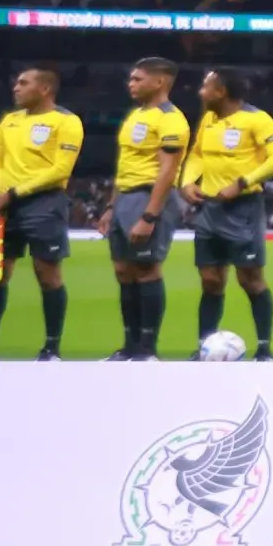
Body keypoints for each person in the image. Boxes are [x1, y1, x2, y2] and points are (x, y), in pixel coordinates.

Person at [180, 69, 273, 359]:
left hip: (243, 209)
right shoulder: (209, 119)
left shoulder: (257, 120)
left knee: (250, 279)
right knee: (210, 280)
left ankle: (264, 348)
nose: (201, 92)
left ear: (222, 92)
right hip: (209, 209)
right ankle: (204, 346)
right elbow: (198, 154)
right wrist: (188, 181)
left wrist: (243, 182)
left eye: (206, 86)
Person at [0, 66, 84, 360]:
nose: (16, 88)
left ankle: (51, 347)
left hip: (44, 204)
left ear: (45, 89)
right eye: (16, 83)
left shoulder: (66, 121)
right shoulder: (8, 122)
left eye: (23, 83)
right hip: (4, 206)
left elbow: (60, 169)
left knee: (47, 275)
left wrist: (12, 194)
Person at [101, 56, 188, 360]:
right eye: (131, 79)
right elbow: (125, 164)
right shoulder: (136, 115)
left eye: (138, 79)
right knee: (124, 271)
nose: (131, 84)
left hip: (149, 197)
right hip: (124, 197)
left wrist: (150, 215)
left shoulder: (171, 119)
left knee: (147, 270)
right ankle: (130, 346)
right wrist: (111, 206)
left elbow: (167, 170)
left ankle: (148, 349)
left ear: (160, 81)